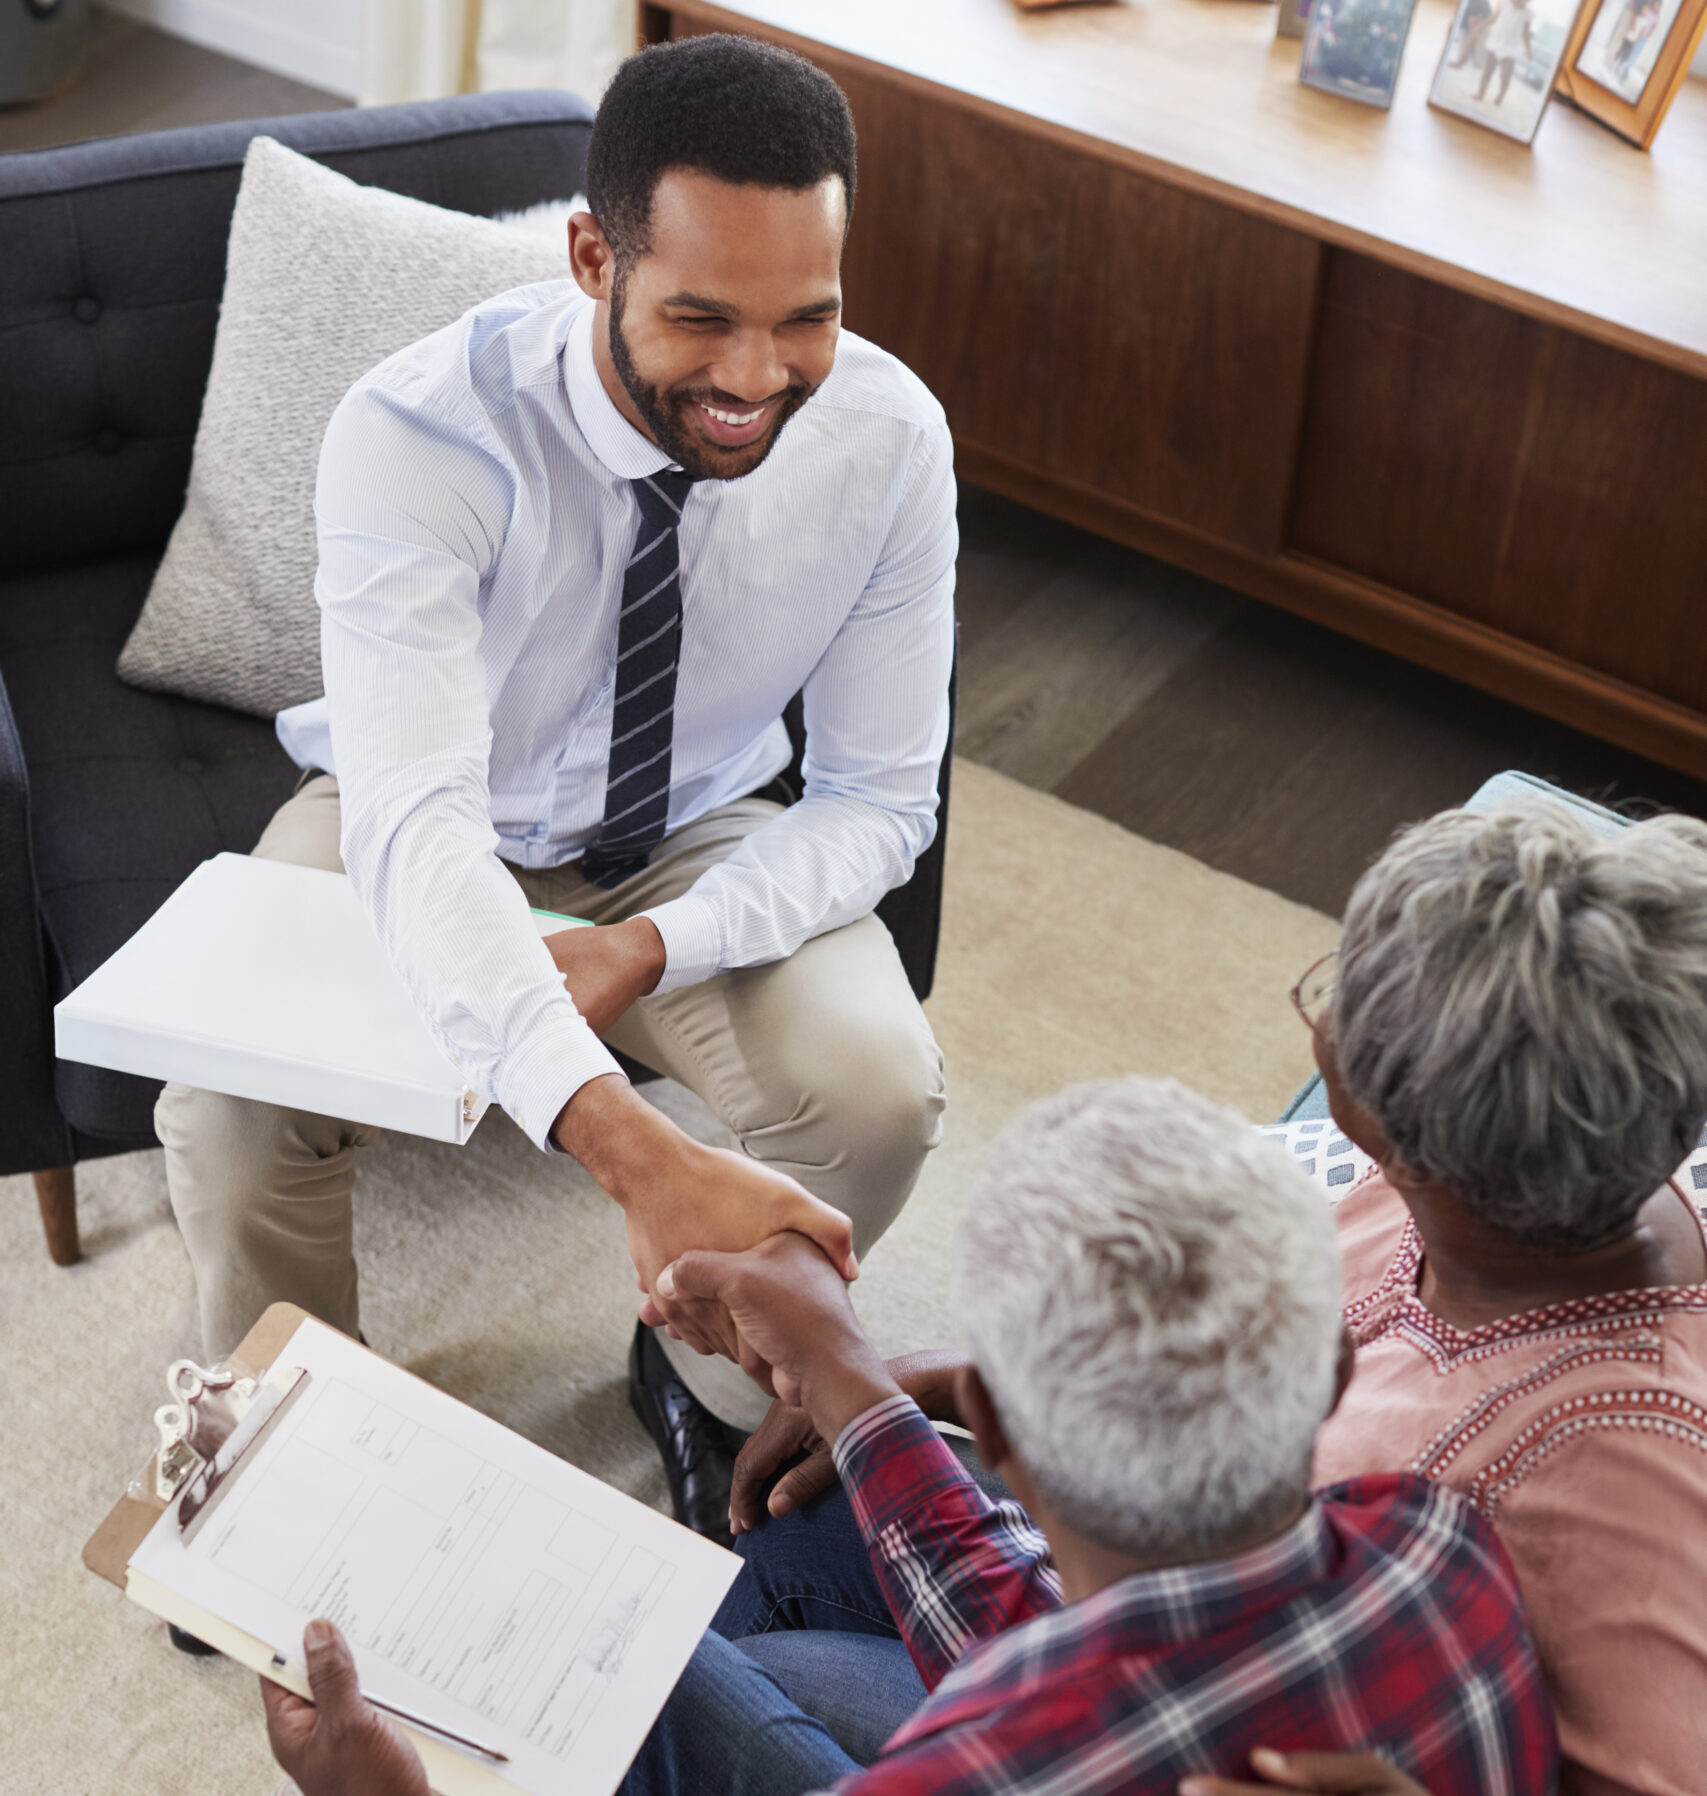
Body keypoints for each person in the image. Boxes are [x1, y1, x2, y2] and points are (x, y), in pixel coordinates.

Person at [154, 33, 954, 1539]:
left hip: (697, 832)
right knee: (228, 1105)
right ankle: (279, 1449)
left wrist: (651, 946)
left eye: (803, 321)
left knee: (879, 1097)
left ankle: (697, 1379)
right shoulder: (416, 432)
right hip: (434, 814)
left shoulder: (888, 443)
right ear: (592, 257)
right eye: (700, 317)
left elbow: (876, 801)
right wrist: (628, 1147)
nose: (751, 379)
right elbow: (418, 826)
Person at [262, 1080, 1558, 1796]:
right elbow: (1072, 1649)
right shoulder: (1440, 1543)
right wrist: (848, 1387)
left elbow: (1047, 1684)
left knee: (646, 1662)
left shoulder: (960, 1766)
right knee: (770, 1563)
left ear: (985, 1409)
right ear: (1333, 1365)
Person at [1301, 801, 1707, 1796]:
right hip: (1189, 1572)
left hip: (1237, 1711)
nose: (1320, 1013)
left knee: (838, 1694)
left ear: (1389, 1118)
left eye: (1334, 997)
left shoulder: (1618, 1469)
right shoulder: (1487, 1192)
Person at [1475, 0, 1533, 103]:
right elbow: (1493, 19)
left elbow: (1526, 33)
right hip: (1496, 40)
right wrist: (1480, 27)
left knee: (1505, 74)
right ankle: (1481, 92)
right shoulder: (1504, 3)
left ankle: (1501, 94)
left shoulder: (1527, 13)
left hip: (1511, 46)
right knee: (1488, 70)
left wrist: (1528, 49)